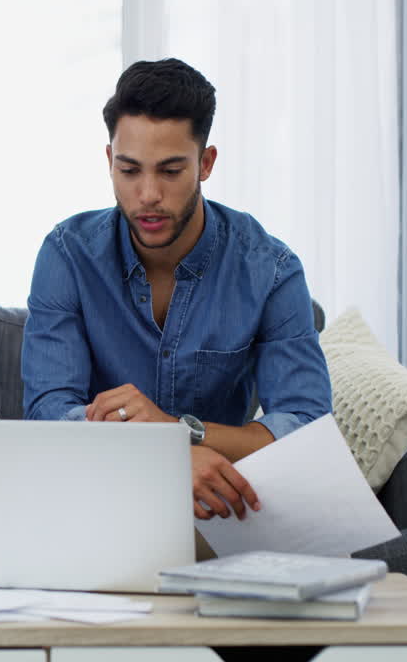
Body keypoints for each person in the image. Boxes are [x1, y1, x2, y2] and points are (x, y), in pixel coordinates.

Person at [21, 58, 332, 523]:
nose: (147, 194)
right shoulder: (68, 254)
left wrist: (180, 432)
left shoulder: (270, 269)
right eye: (129, 171)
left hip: (221, 512)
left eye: (170, 171)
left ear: (205, 164)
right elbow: (48, 412)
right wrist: (165, 456)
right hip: (100, 502)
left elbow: (305, 429)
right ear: (109, 161)